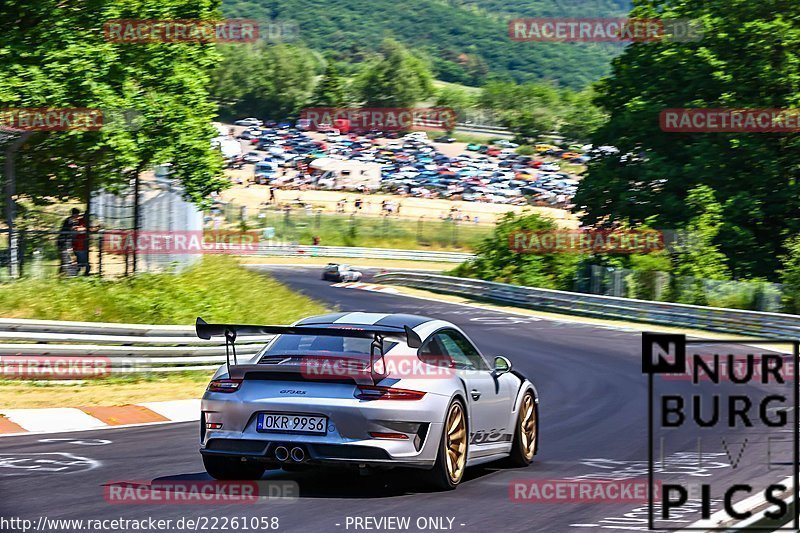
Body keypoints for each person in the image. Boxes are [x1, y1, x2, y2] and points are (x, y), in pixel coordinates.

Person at [56, 208, 80, 275]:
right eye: (77, 215)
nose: (78, 216)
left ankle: (61, 275)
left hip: (64, 242)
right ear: (75, 214)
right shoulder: (70, 221)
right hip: (63, 242)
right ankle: (63, 275)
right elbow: (70, 229)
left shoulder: (69, 220)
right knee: (65, 260)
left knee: (64, 260)